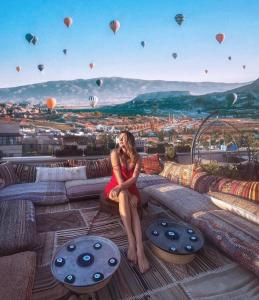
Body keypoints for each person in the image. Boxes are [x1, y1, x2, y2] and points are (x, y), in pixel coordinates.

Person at [104, 131, 150, 273]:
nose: (120, 140)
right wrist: (121, 189)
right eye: (120, 138)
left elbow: (134, 179)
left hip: (130, 187)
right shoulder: (114, 154)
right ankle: (132, 243)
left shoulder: (138, 158)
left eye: (124, 138)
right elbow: (118, 178)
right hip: (115, 186)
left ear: (130, 141)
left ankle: (140, 250)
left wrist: (130, 194)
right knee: (124, 195)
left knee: (132, 204)